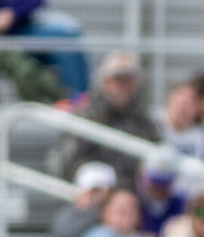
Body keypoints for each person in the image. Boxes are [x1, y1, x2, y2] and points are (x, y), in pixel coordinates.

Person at [58, 52, 159, 190]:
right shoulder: (86, 118)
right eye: (118, 78)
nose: (123, 85)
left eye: (129, 79)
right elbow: (67, 163)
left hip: (134, 202)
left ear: (136, 84)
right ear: (104, 81)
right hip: (93, 197)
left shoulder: (146, 124)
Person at [0, 0, 89, 97]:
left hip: (26, 27)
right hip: (2, 37)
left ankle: (80, 97)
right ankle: (77, 98)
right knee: (64, 40)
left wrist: (13, 13)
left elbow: (36, 2)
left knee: (69, 37)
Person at [46, 162, 113, 237]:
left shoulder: (114, 217)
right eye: (93, 193)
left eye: (101, 194)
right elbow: (66, 235)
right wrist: (95, 211)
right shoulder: (67, 216)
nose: (98, 199)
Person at [158, 79, 204, 161]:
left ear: (196, 108)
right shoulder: (153, 126)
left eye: (188, 104)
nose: (183, 110)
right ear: (171, 100)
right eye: (180, 104)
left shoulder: (200, 136)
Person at [134, 155, 186, 237]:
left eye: (163, 184)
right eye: (154, 183)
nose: (158, 189)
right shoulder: (134, 202)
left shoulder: (182, 206)